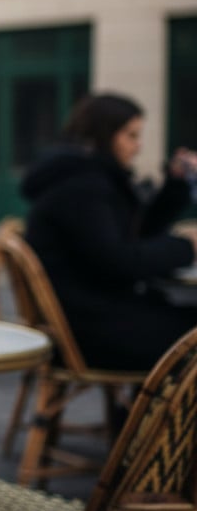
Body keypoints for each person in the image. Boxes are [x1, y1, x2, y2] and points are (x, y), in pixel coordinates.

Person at [21, 93, 197, 371]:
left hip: (97, 314)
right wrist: (186, 246)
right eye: (130, 136)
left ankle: (149, 412)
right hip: (91, 329)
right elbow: (120, 261)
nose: (137, 146)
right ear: (105, 134)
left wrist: (174, 186)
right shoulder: (82, 187)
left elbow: (132, 237)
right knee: (190, 337)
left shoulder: (85, 177)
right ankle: (153, 413)